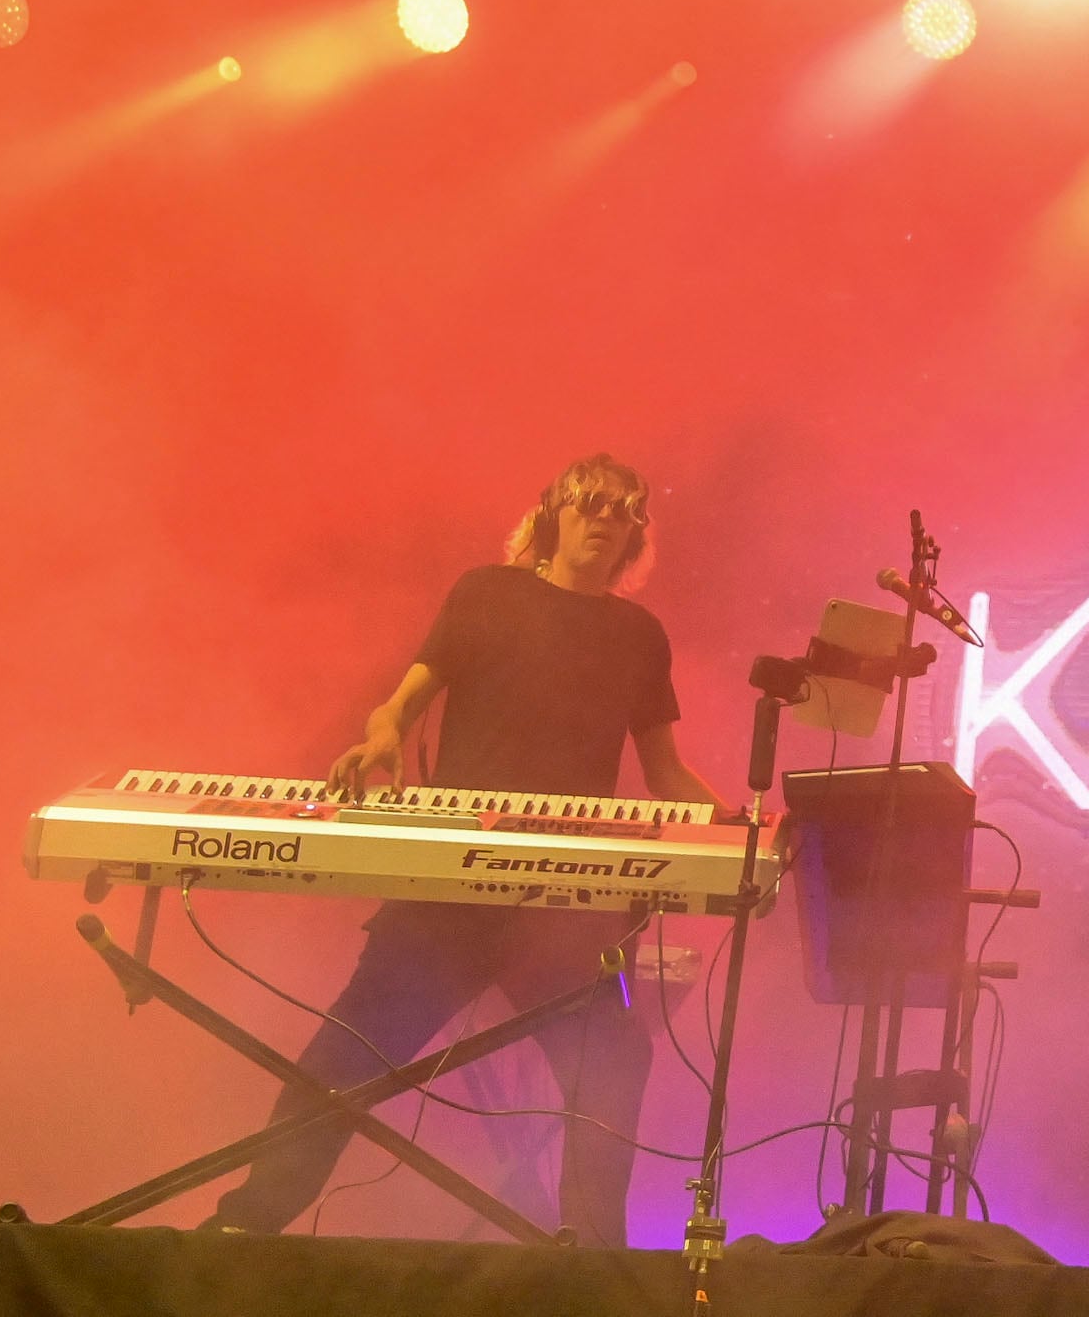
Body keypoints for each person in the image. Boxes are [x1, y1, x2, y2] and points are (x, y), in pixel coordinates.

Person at [209, 455, 719, 1244]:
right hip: (450, 892)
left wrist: (742, 825)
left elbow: (665, 772)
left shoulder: (640, 635)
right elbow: (401, 704)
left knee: (613, 1064)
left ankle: (589, 1261)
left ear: (634, 535)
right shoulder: (486, 592)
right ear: (555, 511)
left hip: (562, 906)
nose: (606, 518)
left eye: (625, 510)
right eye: (591, 503)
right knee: (347, 1056)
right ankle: (245, 1226)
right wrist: (382, 733)